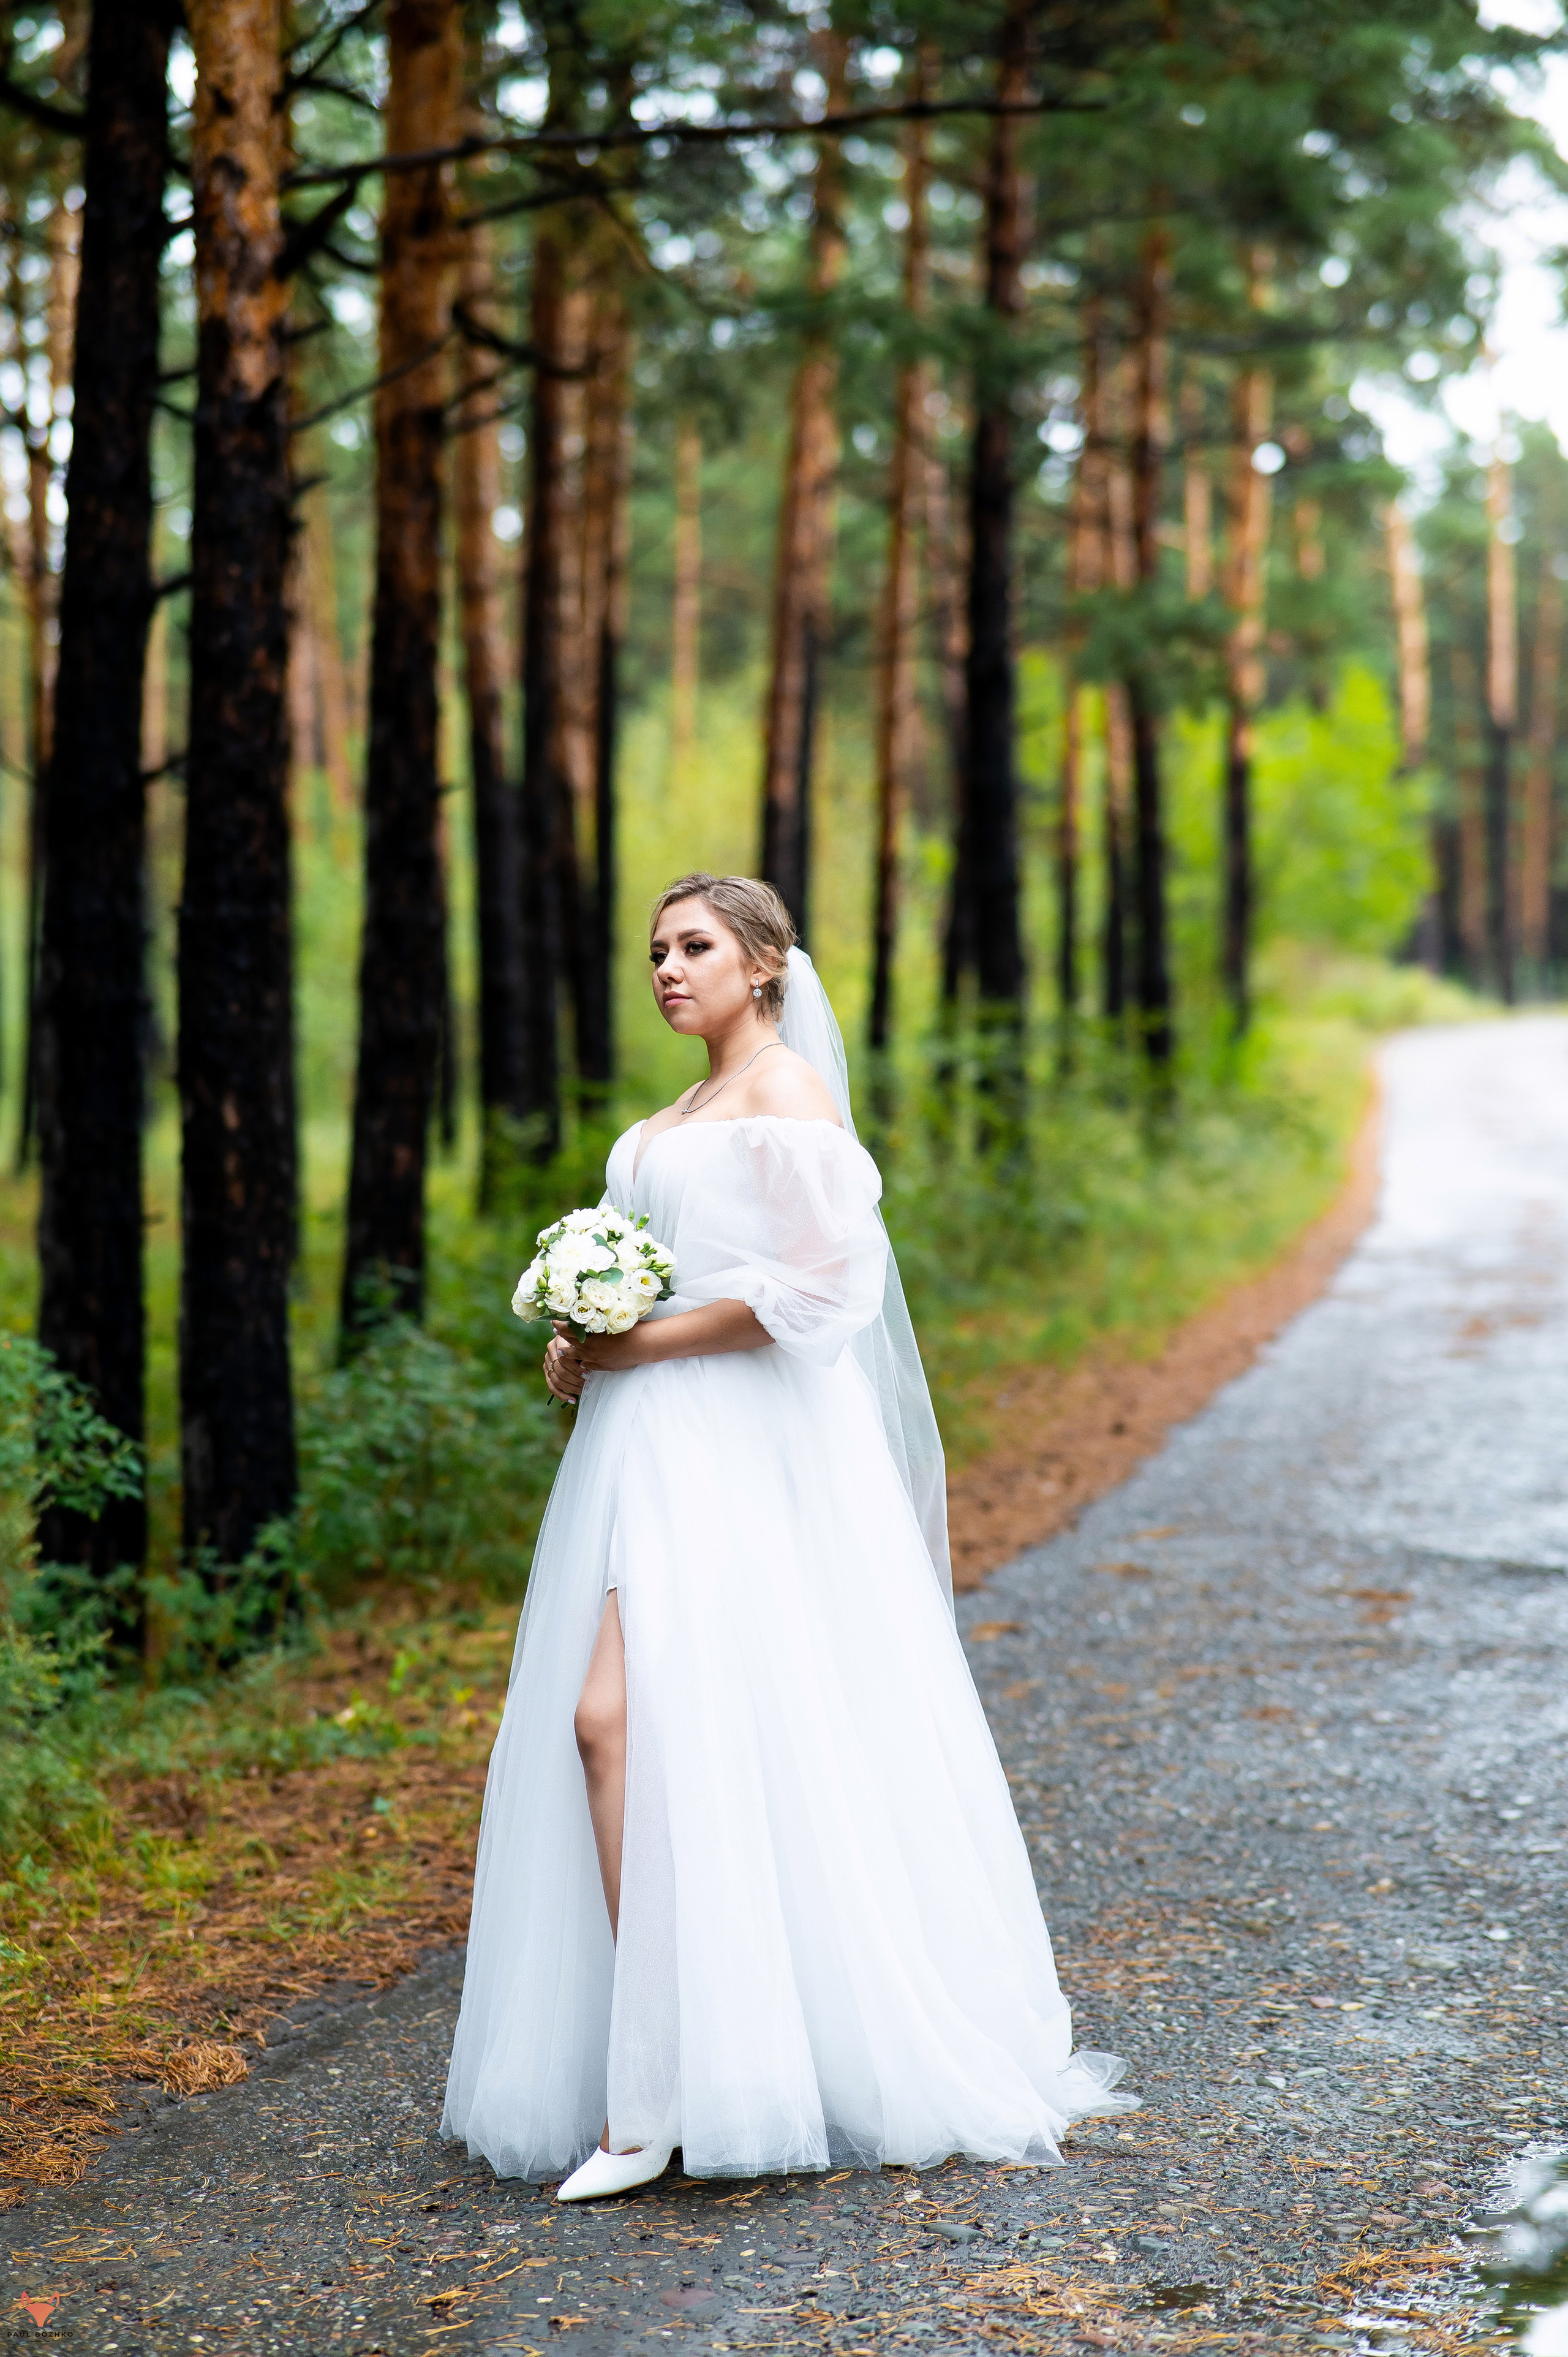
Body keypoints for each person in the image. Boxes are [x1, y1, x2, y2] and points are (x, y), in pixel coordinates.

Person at [442, 872, 1135, 2201]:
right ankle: (667, 2073)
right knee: (625, 1728)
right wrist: (579, 1342)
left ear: (762, 963)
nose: (667, 967)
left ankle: (660, 2097)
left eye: (694, 946)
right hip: (641, 1445)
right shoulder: (671, 1117)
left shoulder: (787, 1098)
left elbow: (821, 1292)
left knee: (642, 1722)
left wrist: (641, 1341)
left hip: (744, 1448)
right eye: (656, 949)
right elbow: (661, 1270)